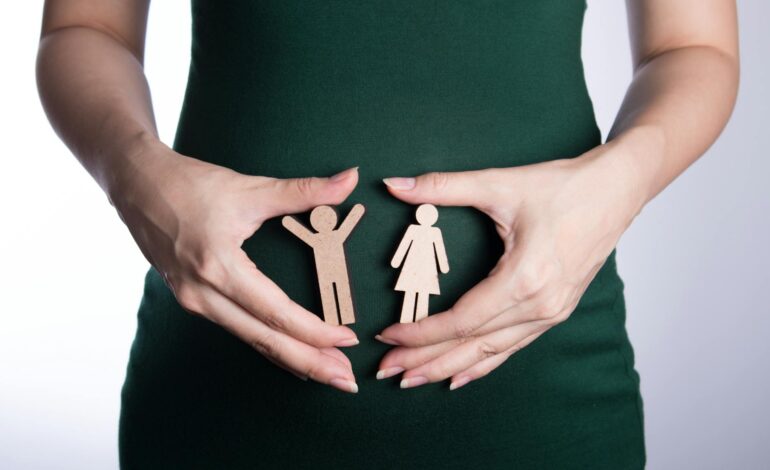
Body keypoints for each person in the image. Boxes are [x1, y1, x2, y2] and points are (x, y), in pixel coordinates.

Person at [36, 1, 739, 468]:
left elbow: (695, 47)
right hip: (216, 409)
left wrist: (623, 180)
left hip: (547, 408)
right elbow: (85, 27)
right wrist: (133, 171)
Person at [391, 204, 450, 323]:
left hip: (425, 269)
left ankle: (417, 324)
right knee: (412, 295)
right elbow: (404, 245)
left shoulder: (434, 232)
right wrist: (396, 261)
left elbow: (439, 250)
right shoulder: (414, 229)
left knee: (419, 296)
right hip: (415, 268)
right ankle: (407, 322)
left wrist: (396, 261)